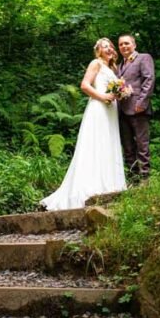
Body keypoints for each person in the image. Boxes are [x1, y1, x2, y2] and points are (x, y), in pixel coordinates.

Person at [40, 38, 127, 210]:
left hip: (111, 110)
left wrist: (119, 94)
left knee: (108, 144)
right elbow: (85, 85)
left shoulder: (113, 68)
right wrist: (103, 97)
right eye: (104, 47)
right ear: (98, 51)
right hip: (99, 108)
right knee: (96, 143)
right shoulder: (96, 63)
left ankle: (110, 185)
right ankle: (91, 187)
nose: (109, 49)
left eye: (110, 46)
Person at [116, 34, 155, 183]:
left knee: (141, 144)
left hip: (138, 109)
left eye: (126, 43)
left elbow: (149, 80)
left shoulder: (143, 58)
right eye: (120, 45)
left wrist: (141, 102)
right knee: (128, 146)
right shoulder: (120, 65)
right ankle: (133, 178)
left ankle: (145, 178)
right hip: (122, 110)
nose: (124, 46)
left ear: (134, 45)